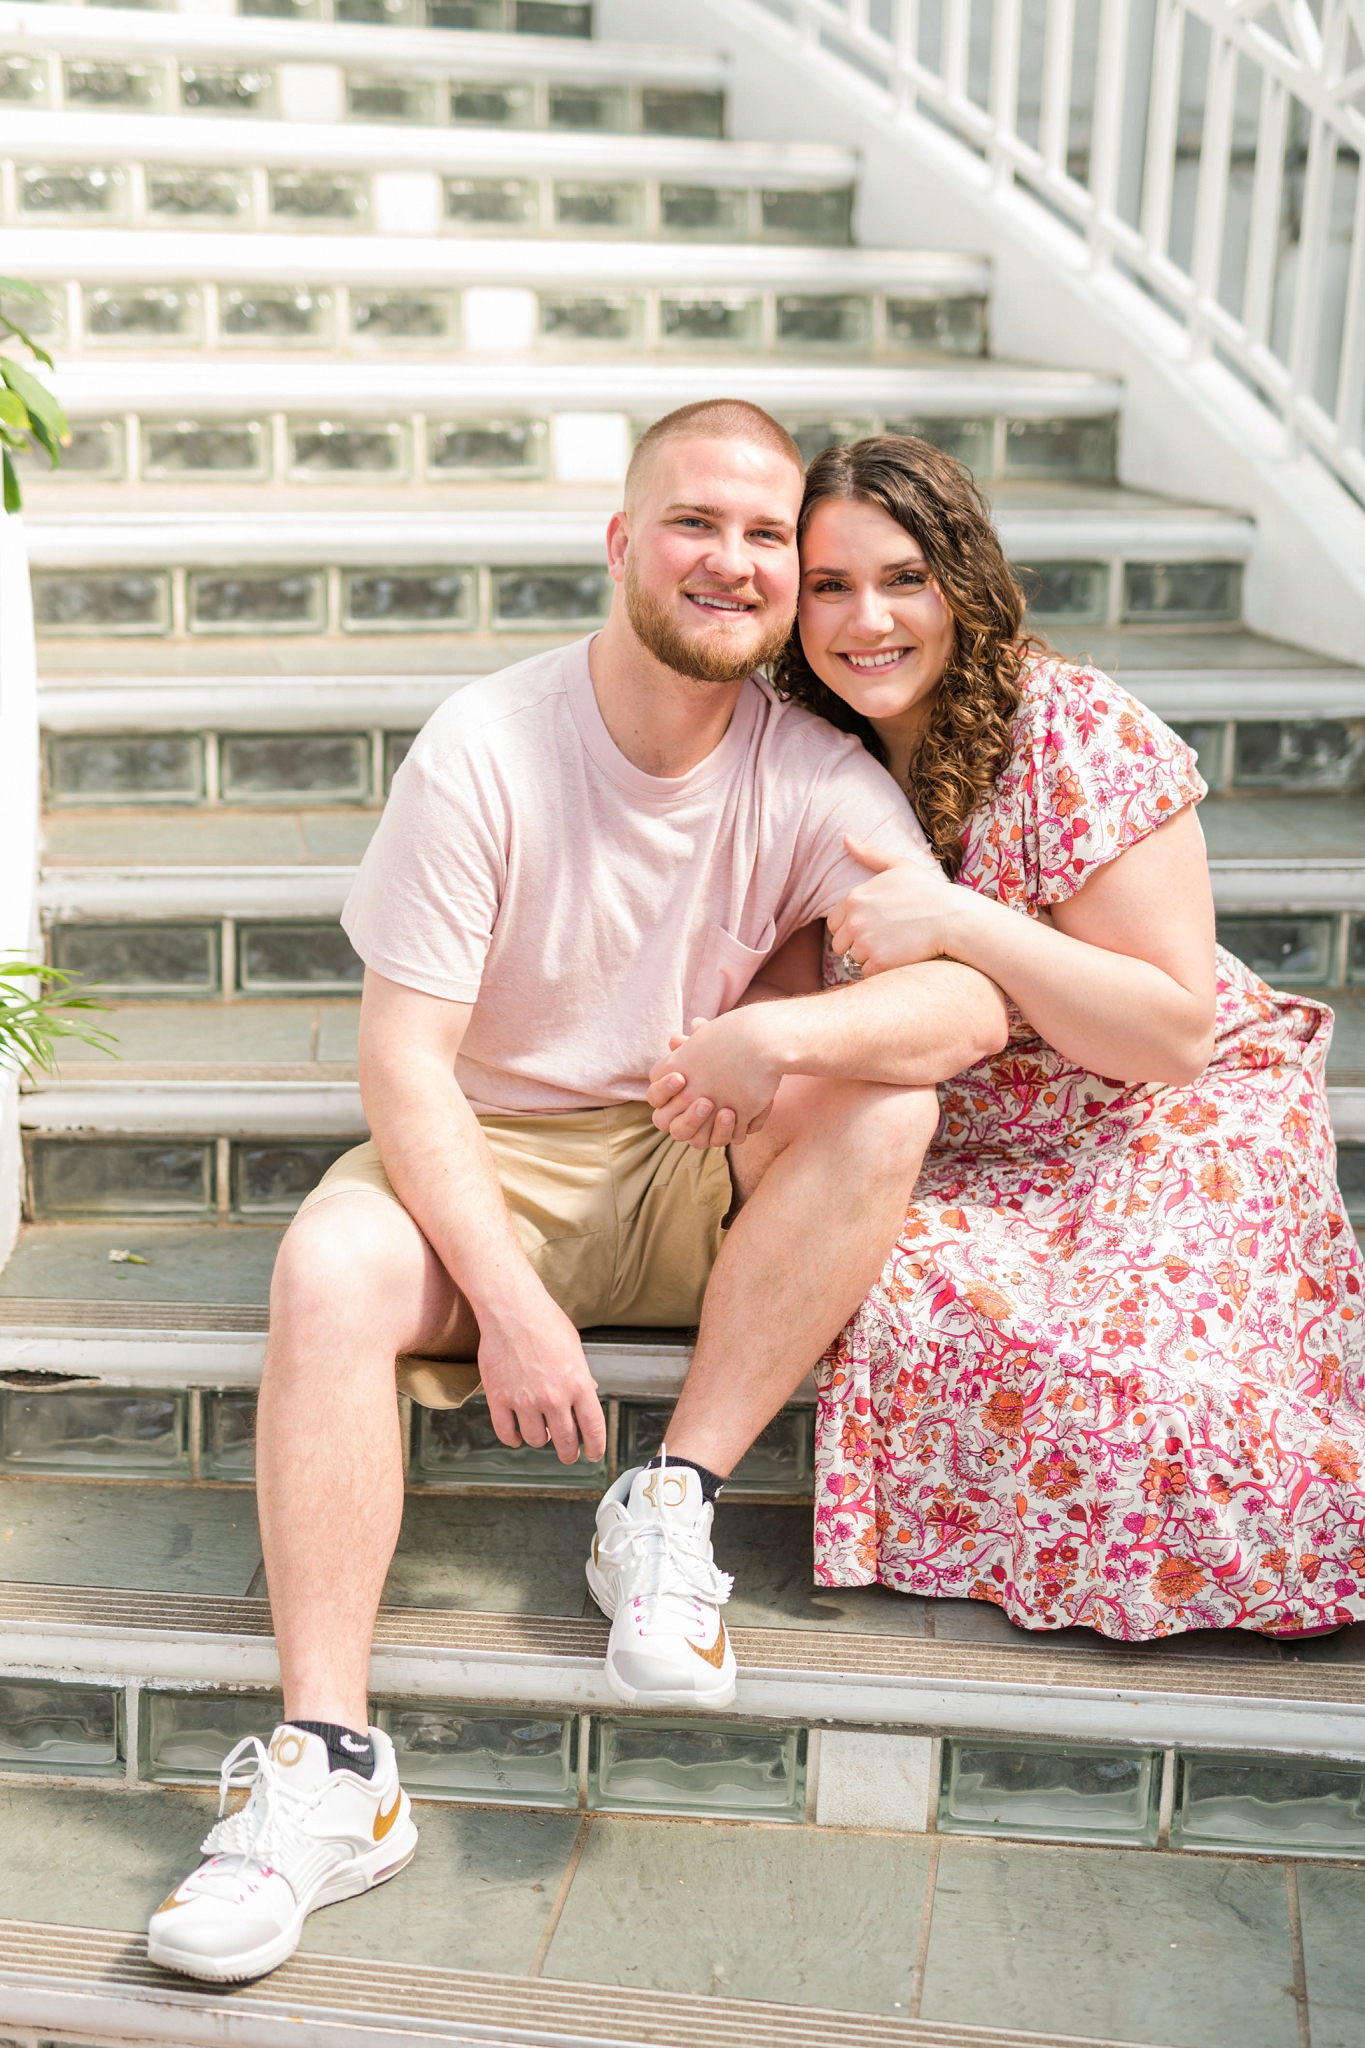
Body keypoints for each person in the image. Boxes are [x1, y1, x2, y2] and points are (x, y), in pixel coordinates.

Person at [147, 402, 1008, 1984]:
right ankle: (332, 1771)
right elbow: (403, 1063)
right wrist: (513, 1303)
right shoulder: (488, 746)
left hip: (692, 1151)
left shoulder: (810, 771)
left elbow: (964, 1004)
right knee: (329, 1267)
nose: (731, 561)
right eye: (694, 523)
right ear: (621, 543)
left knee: (884, 1102)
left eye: (766, 536)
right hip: (493, 1153)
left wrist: (777, 1034)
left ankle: (666, 1498)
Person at [701, 431, 1362, 1641]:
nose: (868, 621)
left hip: (1162, 1111)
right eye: (832, 585)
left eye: (905, 578)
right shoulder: (795, 748)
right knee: (911, 1302)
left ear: (963, 579)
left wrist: (961, 919)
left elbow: (1172, 1031)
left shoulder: (1071, 728)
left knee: (1149, 1391)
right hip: (969, 1140)